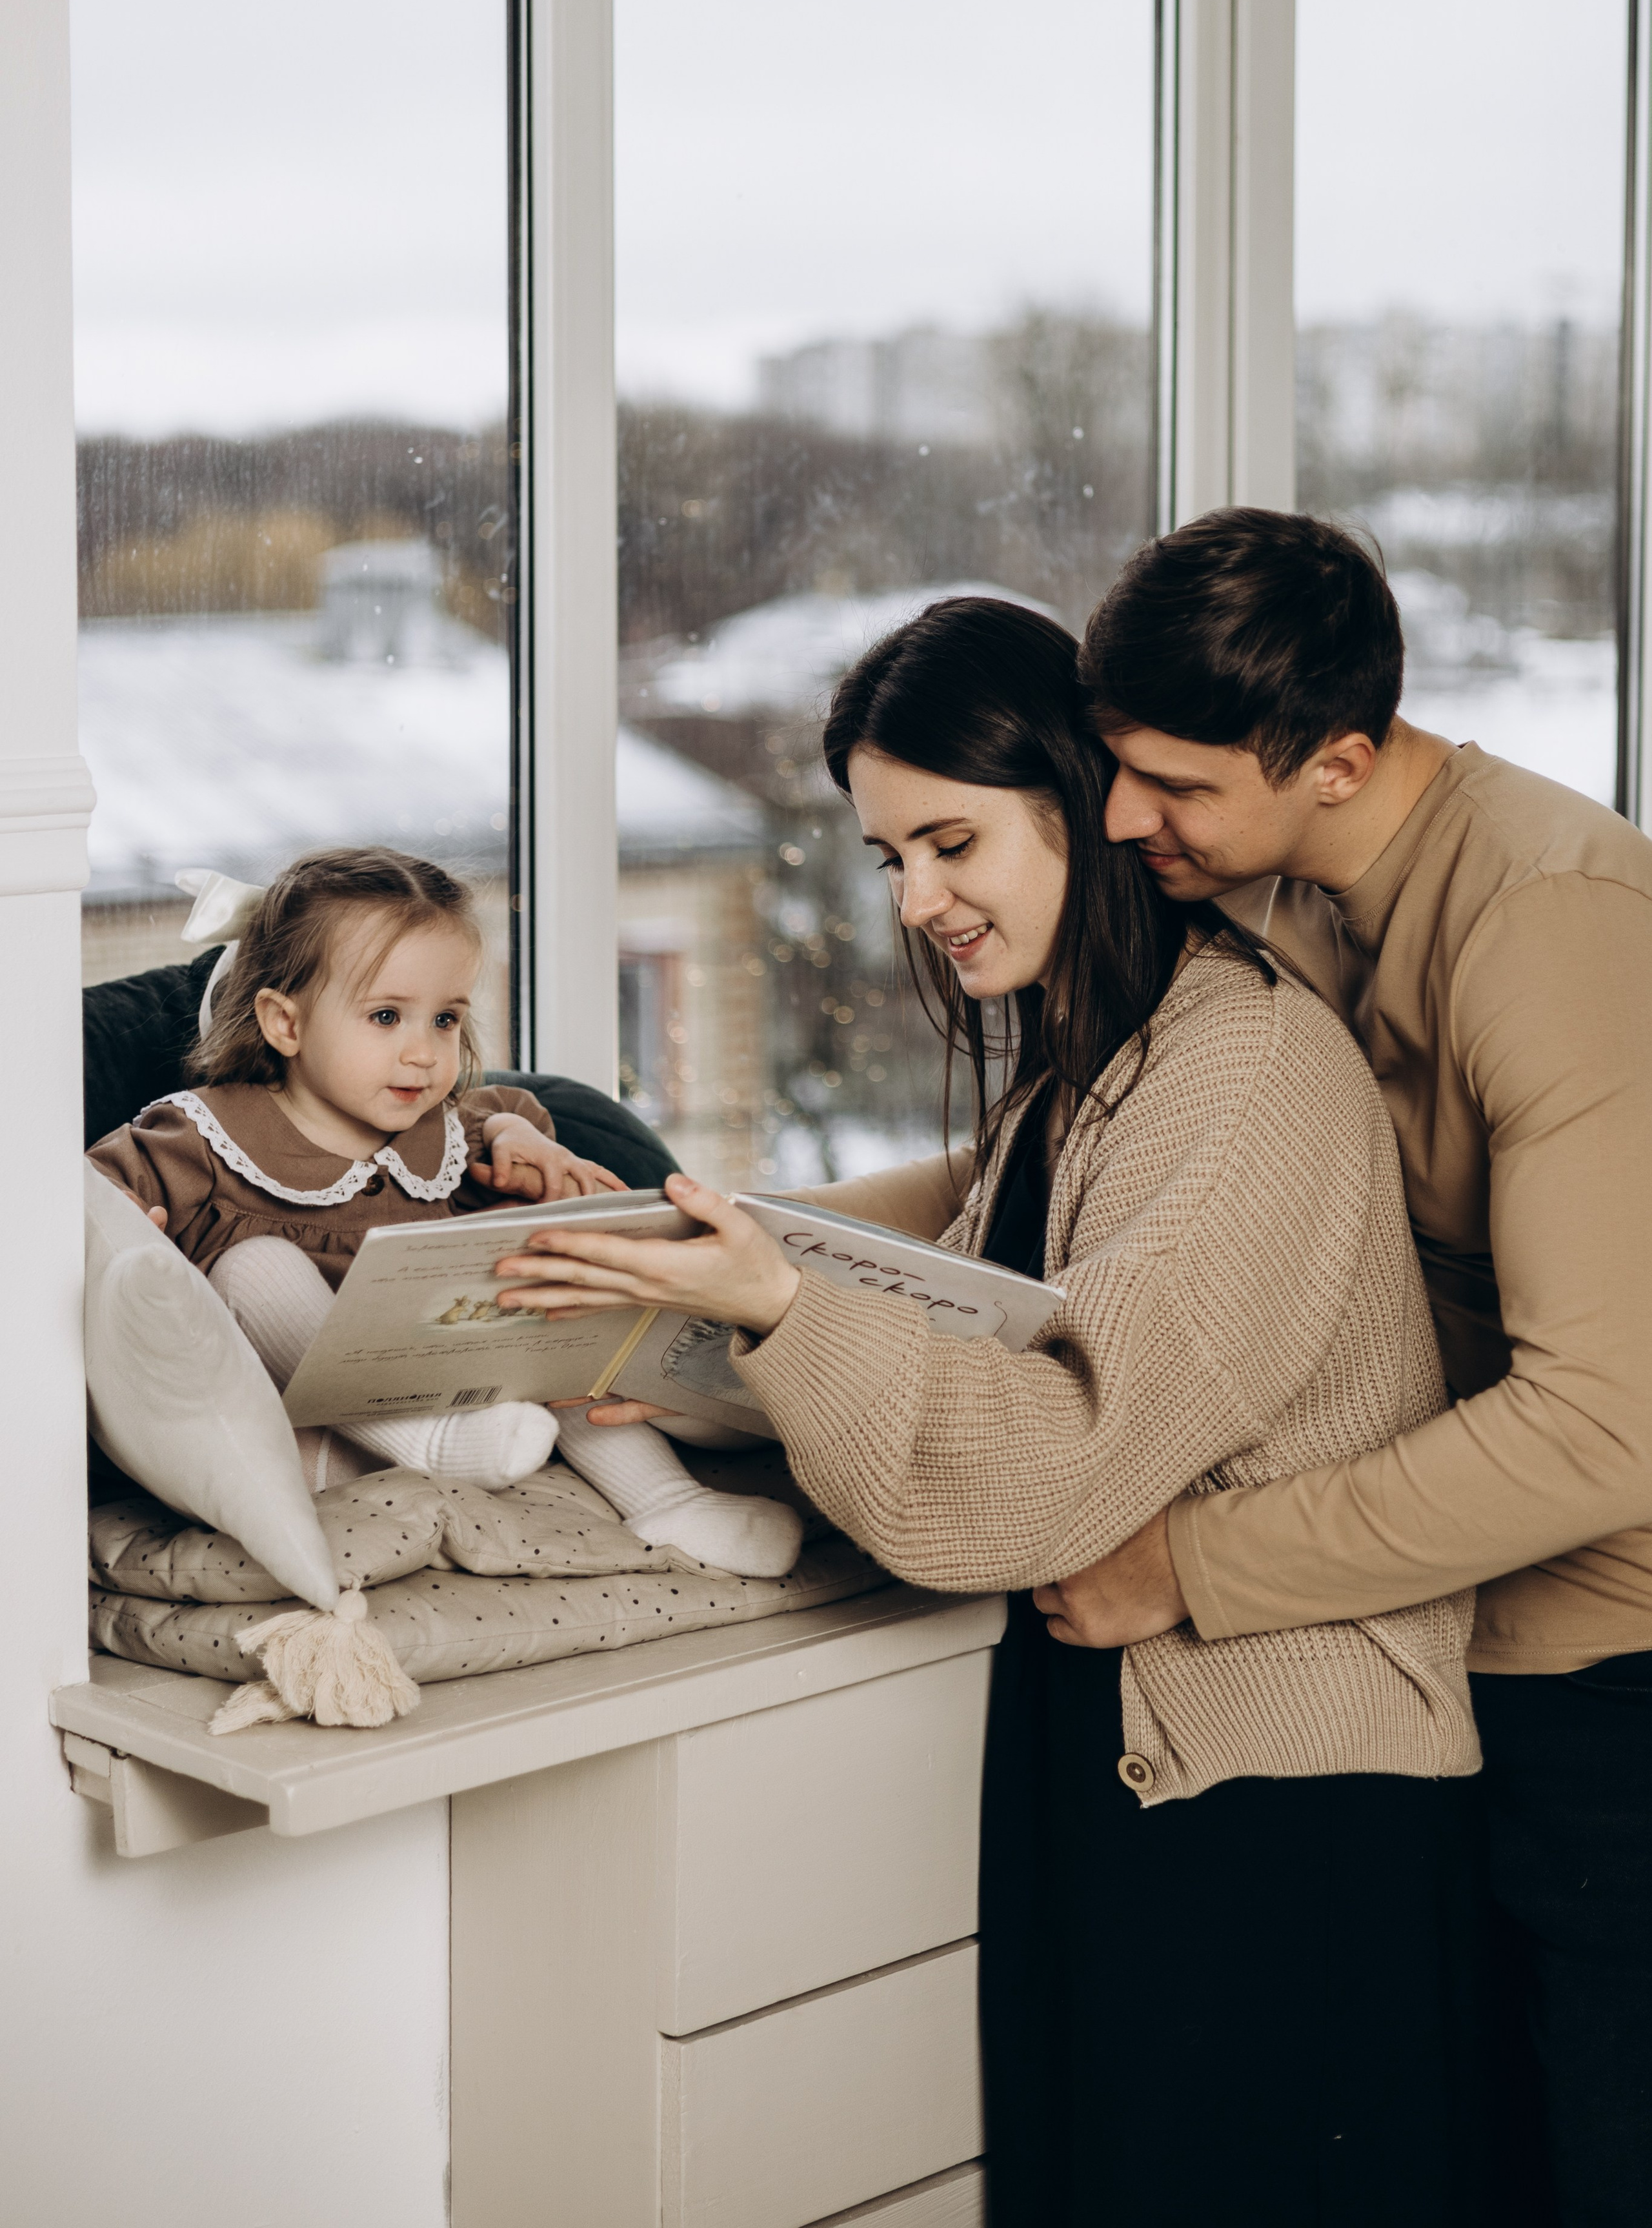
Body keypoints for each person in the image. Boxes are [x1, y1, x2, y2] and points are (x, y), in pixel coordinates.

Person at [489, 598, 1491, 2227]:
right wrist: (652, 1284)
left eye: (948, 840)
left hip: (1278, 1815)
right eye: (887, 858)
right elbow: (956, 1335)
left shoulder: (1238, 1073)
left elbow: (1044, 1470)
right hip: (1146, 1766)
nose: (915, 899)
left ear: (1079, 801)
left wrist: (778, 1306)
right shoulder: (1086, 1067)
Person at [1029, 505, 1652, 2228]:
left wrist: (1188, 1568)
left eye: (1176, 783)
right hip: (1460, 1644)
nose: (1128, 818)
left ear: (1342, 760)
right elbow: (1057, 1158)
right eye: (1113, 769)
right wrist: (696, 1224)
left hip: (1618, 1691)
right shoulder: (1291, 893)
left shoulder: (1551, 917)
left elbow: (1609, 1433)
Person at [86, 845, 801, 1577]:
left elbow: (499, 1107)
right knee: (254, 1268)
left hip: (467, 1413)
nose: (425, 1054)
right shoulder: (200, 1132)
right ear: (285, 1024)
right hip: (293, 1437)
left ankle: (667, 1502)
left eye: (446, 1019)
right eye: (388, 1016)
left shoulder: (444, 1130)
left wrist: (520, 1137)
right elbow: (77, 1202)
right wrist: (123, 1241)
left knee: (542, 1310)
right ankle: (426, 1439)